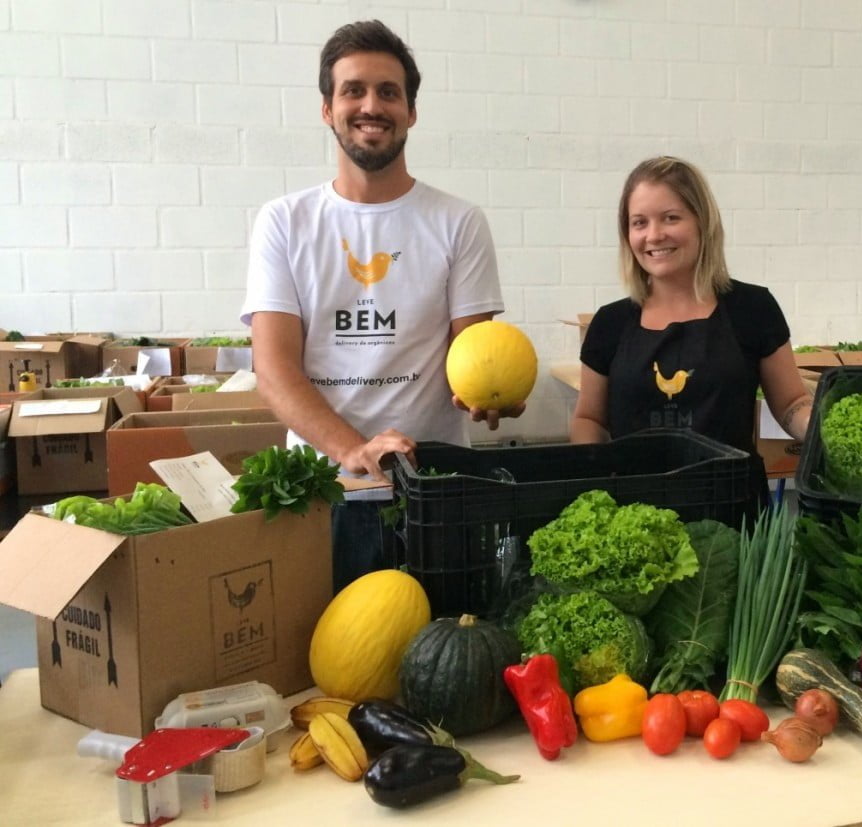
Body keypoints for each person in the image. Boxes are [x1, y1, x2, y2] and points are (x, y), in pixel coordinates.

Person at [240, 20, 523, 592]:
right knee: (327, 670)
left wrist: (489, 398)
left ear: (411, 111)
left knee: (450, 656)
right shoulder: (285, 222)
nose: (372, 105)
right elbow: (273, 370)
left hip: (435, 489)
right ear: (327, 108)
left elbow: (472, 357)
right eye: (354, 90)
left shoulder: (458, 223)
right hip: (325, 493)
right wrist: (354, 450)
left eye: (389, 92)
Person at [569, 156, 813, 507]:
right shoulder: (609, 324)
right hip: (636, 512)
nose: (654, 235)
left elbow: (791, 402)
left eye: (671, 217)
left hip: (733, 513)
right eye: (639, 222)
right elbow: (589, 417)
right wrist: (597, 476)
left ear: (702, 221)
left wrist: (818, 426)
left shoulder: (753, 308)